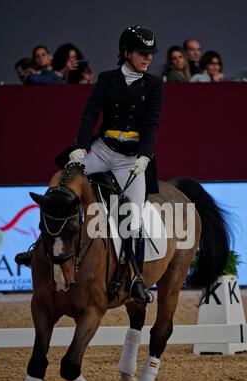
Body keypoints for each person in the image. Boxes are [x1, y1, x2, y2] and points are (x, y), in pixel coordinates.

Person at [15, 25, 163, 304]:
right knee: (62, 184)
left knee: (133, 217)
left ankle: (135, 279)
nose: (148, 58)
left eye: (150, 54)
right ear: (127, 52)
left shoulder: (154, 85)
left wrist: (146, 155)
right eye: (143, 53)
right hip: (103, 149)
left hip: (130, 159)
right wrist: (80, 148)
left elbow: (151, 123)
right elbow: (90, 114)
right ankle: (35, 249)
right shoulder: (108, 79)